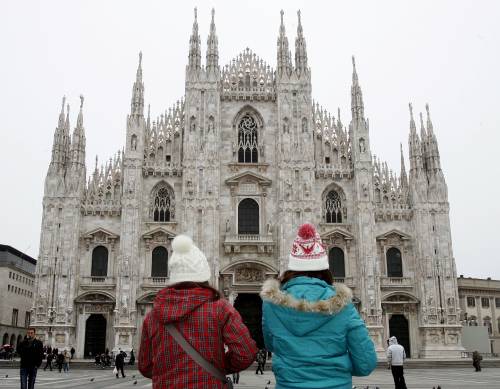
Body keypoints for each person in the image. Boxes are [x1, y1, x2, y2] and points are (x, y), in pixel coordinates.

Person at [260, 223, 377, 389]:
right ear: (325, 268)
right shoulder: (343, 305)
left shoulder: (271, 305)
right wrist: (336, 370)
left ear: (292, 267)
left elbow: (271, 345)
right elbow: (366, 363)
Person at [139, 234, 258, 388]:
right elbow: (245, 354)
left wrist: (170, 373)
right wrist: (216, 367)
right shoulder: (221, 308)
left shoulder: (153, 316)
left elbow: (145, 365)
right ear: (204, 276)